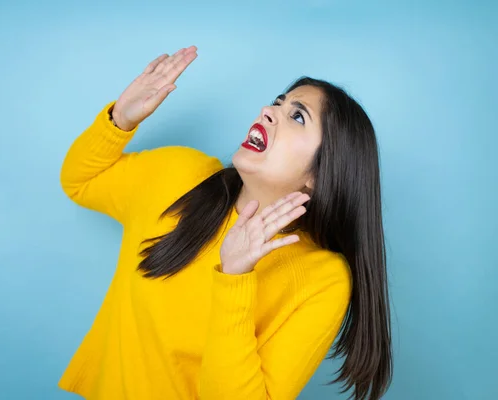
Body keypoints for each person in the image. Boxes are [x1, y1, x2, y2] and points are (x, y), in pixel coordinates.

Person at [58, 45, 393, 400]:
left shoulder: (322, 279)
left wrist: (235, 279)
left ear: (321, 172)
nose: (268, 111)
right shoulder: (179, 175)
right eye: (278, 102)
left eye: (297, 116)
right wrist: (119, 120)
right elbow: (81, 182)